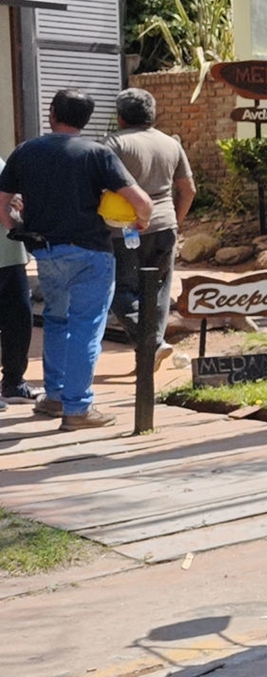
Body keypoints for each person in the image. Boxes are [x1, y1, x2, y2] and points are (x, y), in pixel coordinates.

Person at [0, 90, 153, 430]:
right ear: (86, 118)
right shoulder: (97, 154)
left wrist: (14, 225)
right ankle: (78, 408)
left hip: (45, 252)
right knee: (86, 327)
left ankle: (54, 396)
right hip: (90, 254)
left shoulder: (26, 151)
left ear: (53, 113)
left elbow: (3, 202)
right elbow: (140, 200)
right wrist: (140, 220)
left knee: (56, 320)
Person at [105, 88, 195, 368]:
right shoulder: (171, 143)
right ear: (153, 114)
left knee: (120, 293)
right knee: (157, 291)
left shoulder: (113, 144)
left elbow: (100, 187)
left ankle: (152, 344)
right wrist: (175, 221)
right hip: (165, 225)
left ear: (120, 118)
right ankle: (150, 352)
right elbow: (189, 189)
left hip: (125, 229)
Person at [0, 166, 35, 409]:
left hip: (10, 255)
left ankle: (14, 382)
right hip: (9, 252)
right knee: (18, 318)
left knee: (19, 319)